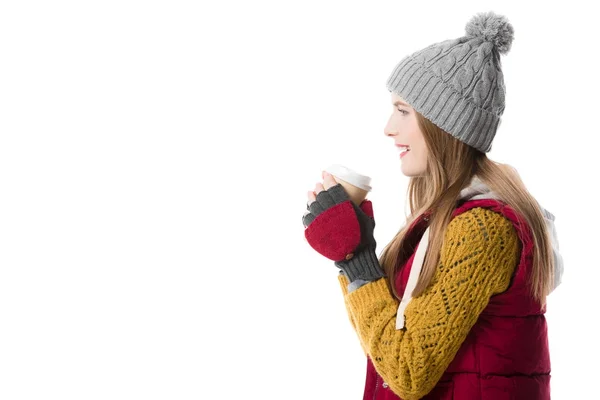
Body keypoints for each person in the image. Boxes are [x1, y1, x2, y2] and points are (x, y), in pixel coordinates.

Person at [301, 11, 564, 400]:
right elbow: (388, 348)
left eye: (403, 111)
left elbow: (407, 371)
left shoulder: (482, 229)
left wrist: (354, 258)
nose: (389, 128)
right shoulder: (442, 220)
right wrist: (358, 252)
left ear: (445, 125)